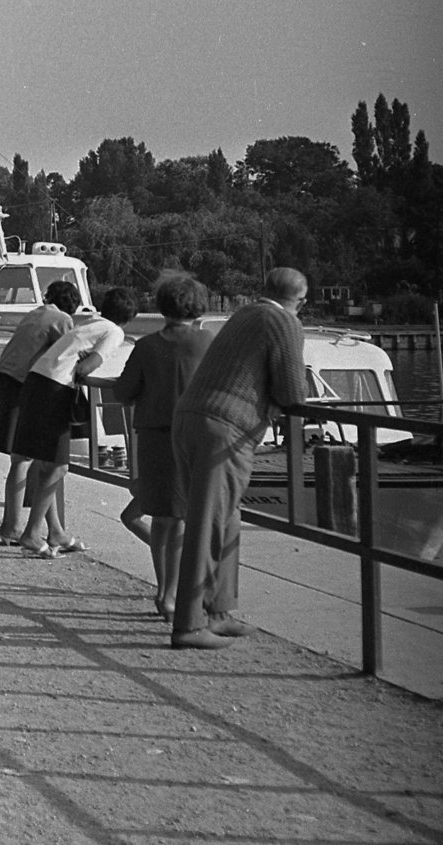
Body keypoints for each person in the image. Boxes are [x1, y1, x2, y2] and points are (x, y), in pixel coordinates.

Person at [170, 268, 308, 650]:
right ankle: (188, 624)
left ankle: (217, 610)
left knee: (227, 519)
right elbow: (293, 390)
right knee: (207, 523)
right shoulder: (283, 322)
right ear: (301, 300)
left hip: (190, 418)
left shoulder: (244, 315)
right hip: (225, 428)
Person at [113, 276, 213, 624]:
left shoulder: (146, 346)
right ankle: (177, 594)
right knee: (184, 517)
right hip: (194, 437)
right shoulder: (206, 342)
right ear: (198, 306)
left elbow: (123, 392)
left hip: (154, 437)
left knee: (160, 515)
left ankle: (165, 591)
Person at [12, 286, 137, 556]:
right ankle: (31, 534)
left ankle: (55, 532)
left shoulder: (89, 322)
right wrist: (86, 365)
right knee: (58, 467)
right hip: (54, 389)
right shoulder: (115, 332)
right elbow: (86, 367)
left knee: (47, 463)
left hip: (37, 382)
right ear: (128, 319)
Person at [0, 280, 82, 544]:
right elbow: (72, 351)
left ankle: (53, 530)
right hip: (21, 386)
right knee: (24, 459)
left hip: (4, 380)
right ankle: (13, 527)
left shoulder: (35, 313)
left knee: (35, 458)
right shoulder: (60, 319)